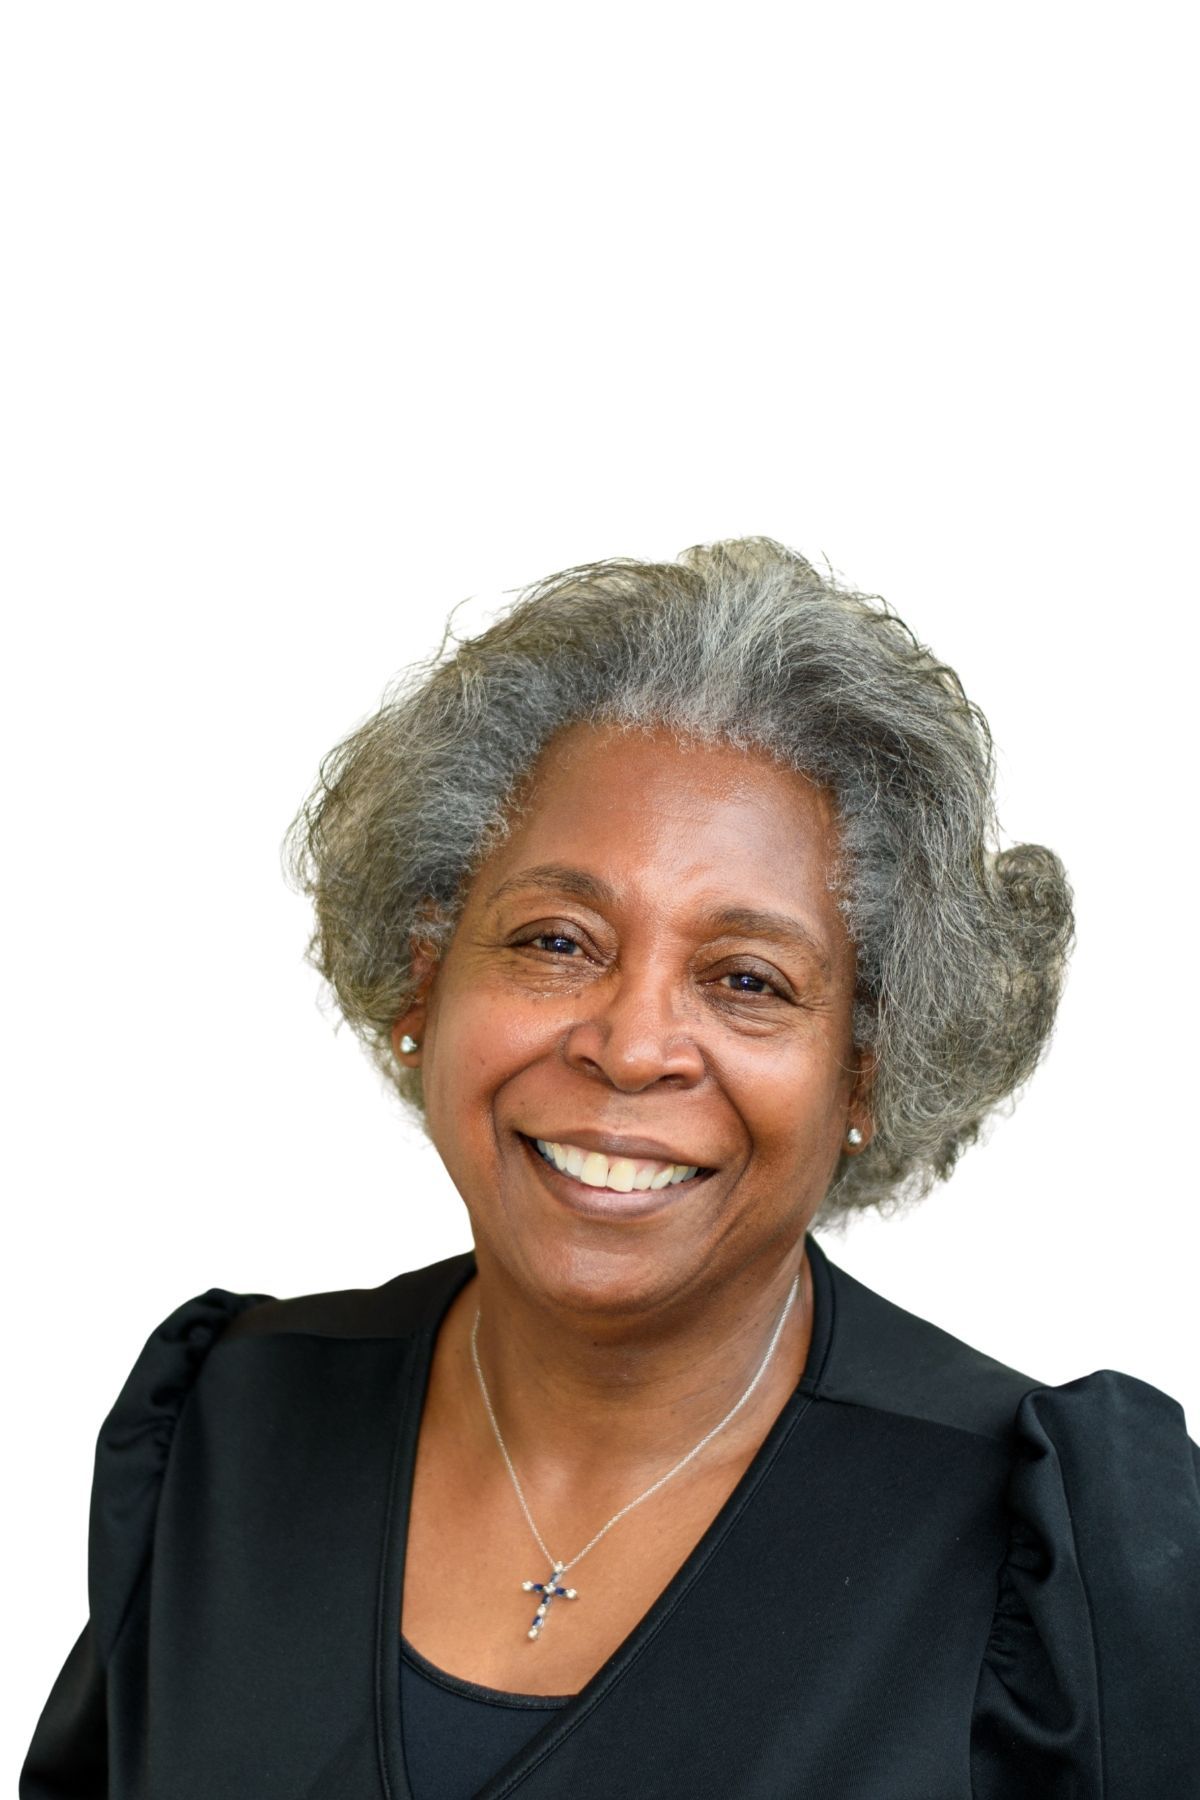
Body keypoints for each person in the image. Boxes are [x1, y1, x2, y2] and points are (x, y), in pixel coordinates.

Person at [22, 538, 1200, 1799]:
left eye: (748, 979)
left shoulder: (1055, 1558)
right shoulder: (225, 1430)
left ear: (865, 1070)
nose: (632, 1047)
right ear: (425, 983)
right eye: (556, 941)